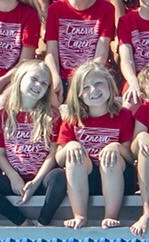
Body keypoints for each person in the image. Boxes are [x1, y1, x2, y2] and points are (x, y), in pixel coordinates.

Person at [0, 60, 61, 226]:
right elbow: (0, 154)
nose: (38, 85)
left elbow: (52, 154)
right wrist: (13, 177)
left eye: (44, 83)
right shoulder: (3, 116)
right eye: (34, 79)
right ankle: (22, 222)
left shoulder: (52, 116)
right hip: (15, 179)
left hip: (41, 179)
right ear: (20, 79)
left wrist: (35, 182)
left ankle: (42, 222)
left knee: (59, 177)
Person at [53, 59, 134, 229]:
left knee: (109, 157)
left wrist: (116, 147)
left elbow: (130, 156)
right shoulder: (73, 119)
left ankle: (111, 215)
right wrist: (69, 146)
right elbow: (59, 159)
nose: (94, 90)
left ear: (110, 85)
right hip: (86, 179)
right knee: (75, 158)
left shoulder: (123, 115)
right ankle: (80, 215)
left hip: (117, 176)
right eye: (86, 88)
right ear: (78, 94)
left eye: (98, 83)